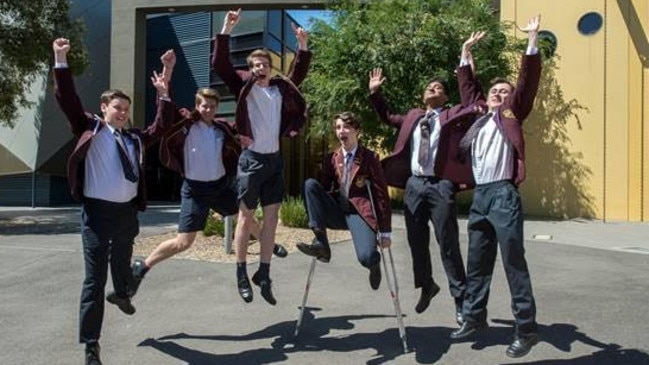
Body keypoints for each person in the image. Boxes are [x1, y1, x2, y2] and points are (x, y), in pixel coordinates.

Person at [52, 38, 173, 365]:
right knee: (95, 279)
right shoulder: (90, 127)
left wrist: (165, 86)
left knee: (121, 270)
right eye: (117, 108)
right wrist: (60, 59)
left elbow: (160, 126)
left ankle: (122, 293)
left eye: (126, 109)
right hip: (96, 214)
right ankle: (92, 344)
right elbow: (67, 100)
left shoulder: (134, 138)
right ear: (104, 108)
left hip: (126, 216)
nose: (122, 113)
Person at [128, 57, 287, 298]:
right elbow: (166, 109)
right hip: (194, 190)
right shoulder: (185, 123)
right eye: (203, 106)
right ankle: (143, 265)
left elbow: (248, 128)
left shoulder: (222, 128)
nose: (208, 110)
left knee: (247, 220)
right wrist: (168, 73)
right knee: (184, 242)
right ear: (196, 105)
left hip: (221, 186)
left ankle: (270, 245)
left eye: (212, 106)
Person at [368, 33, 486, 324]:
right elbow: (387, 117)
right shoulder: (413, 116)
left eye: (438, 87)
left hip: (440, 185)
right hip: (414, 185)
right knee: (415, 241)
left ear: (445, 97)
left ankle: (461, 301)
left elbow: (474, 102)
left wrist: (465, 58)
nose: (432, 89)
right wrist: (375, 93)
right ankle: (427, 285)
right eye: (429, 87)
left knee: (447, 243)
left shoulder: (453, 114)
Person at [449, 15, 542, 359]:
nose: (499, 95)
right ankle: (474, 317)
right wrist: (465, 53)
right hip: (480, 198)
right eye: (494, 91)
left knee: (513, 262)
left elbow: (527, 81)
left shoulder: (511, 115)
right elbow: (468, 89)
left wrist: (531, 41)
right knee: (477, 262)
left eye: (505, 92)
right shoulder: (478, 119)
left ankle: (527, 329)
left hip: (503, 193)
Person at [213, 9, 311, 305]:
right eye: (256, 64)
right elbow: (220, 63)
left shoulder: (280, 89)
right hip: (252, 160)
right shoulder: (243, 85)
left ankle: (264, 273)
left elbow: (298, 75)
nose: (261, 68)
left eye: (265, 64)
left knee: (272, 220)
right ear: (250, 68)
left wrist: (303, 46)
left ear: (270, 67)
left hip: (274, 161)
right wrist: (227, 28)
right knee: (245, 218)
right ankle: (242, 273)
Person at [296, 112, 392, 289]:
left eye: (346, 127)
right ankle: (322, 245)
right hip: (337, 211)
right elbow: (322, 191)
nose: (342, 131)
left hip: (358, 213)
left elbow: (381, 195)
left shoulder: (370, 158)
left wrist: (385, 232)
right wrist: (317, 212)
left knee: (366, 257)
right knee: (310, 185)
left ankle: (373, 264)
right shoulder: (332, 159)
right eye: (338, 127)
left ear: (357, 131)